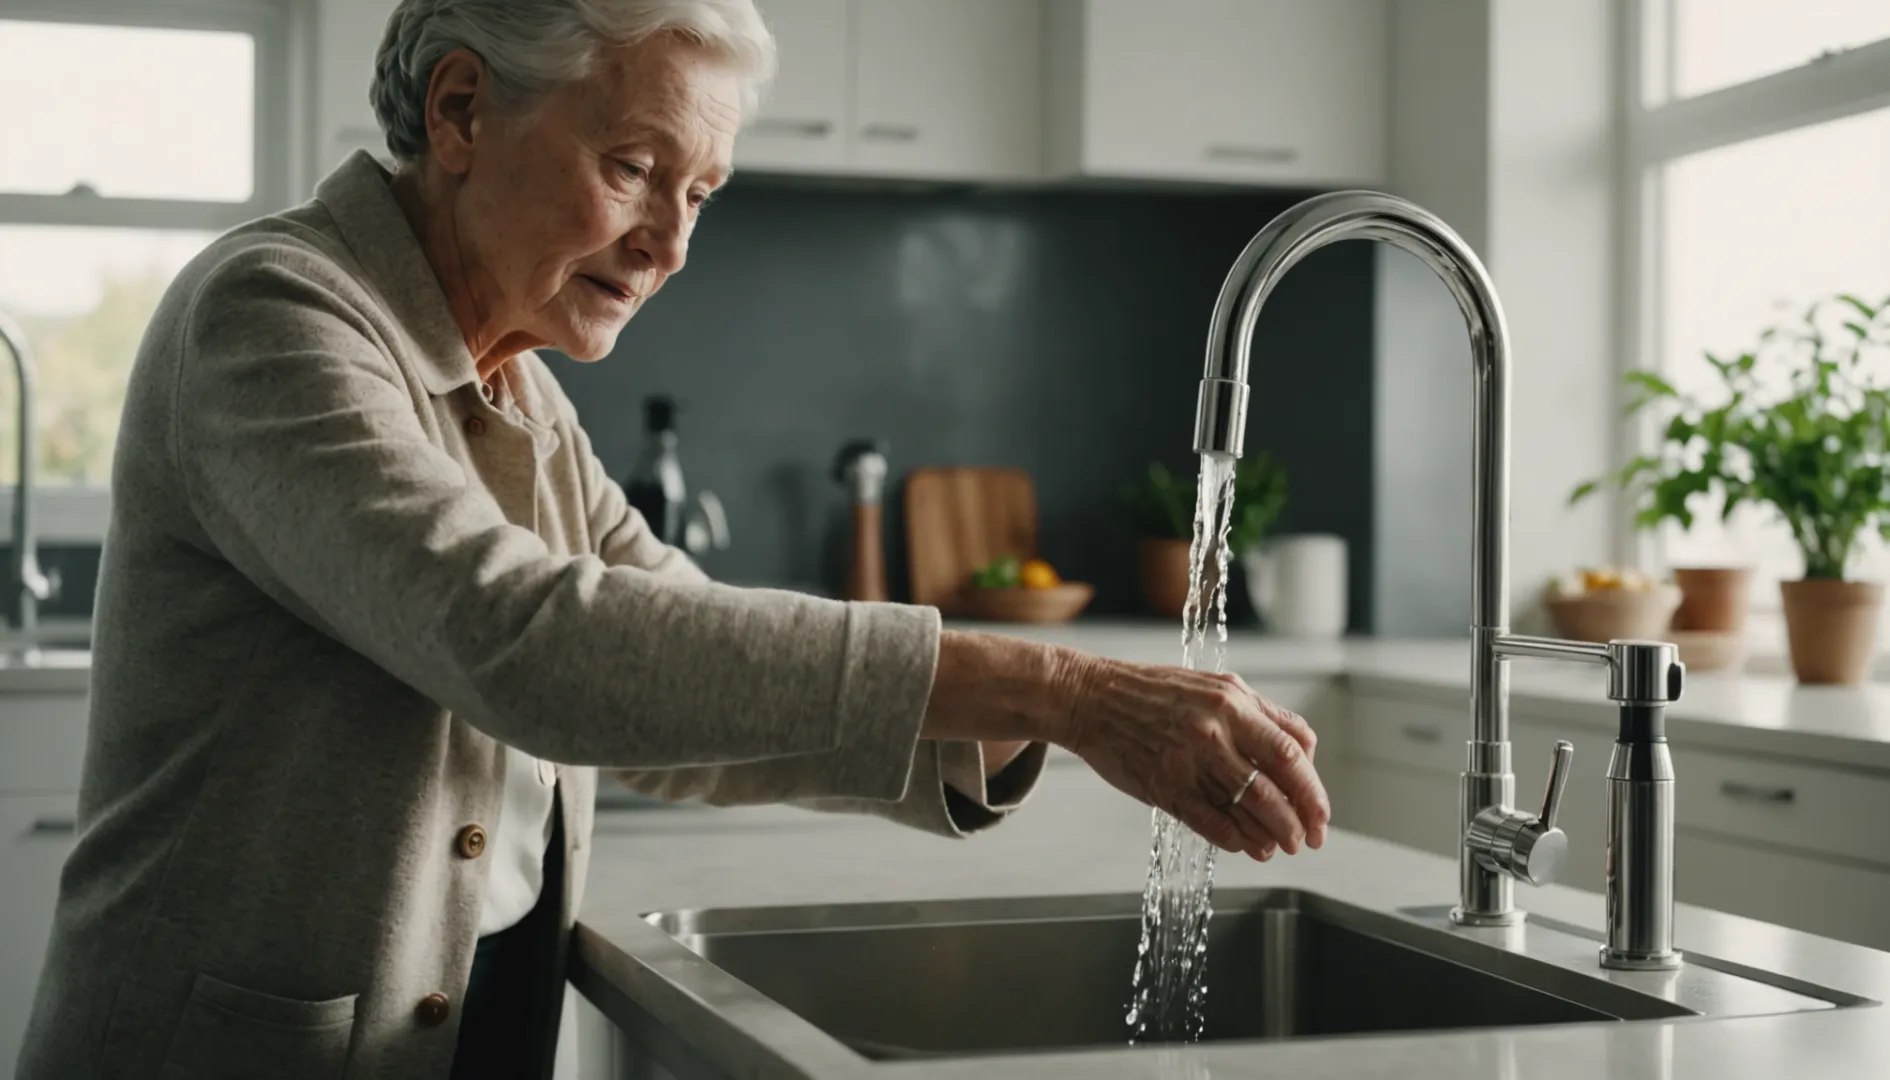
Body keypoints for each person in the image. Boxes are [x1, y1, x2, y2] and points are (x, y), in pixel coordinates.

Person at [16, 1, 1329, 1077]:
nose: (671, 243)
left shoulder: (516, 389)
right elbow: (531, 644)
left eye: (701, 191)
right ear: (460, 111)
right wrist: (1065, 687)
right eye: (635, 168)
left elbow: (672, 654)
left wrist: (1027, 723)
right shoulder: (273, 315)